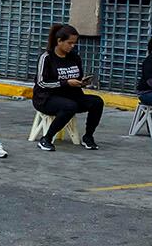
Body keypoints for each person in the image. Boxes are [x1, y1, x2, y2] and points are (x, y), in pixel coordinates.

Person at [33, 24, 103, 152]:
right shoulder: (46, 58)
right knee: (69, 106)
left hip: (72, 95)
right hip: (47, 98)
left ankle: (88, 137)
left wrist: (81, 83)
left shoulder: (74, 57)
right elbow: (41, 83)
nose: (72, 46)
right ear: (59, 41)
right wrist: (65, 83)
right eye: (69, 43)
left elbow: (78, 76)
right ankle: (46, 139)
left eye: (74, 43)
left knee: (97, 102)